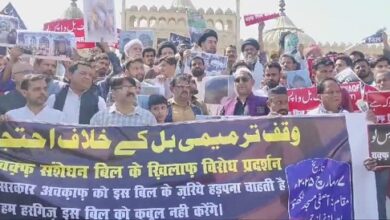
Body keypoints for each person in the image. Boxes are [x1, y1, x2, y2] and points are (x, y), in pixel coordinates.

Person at [90, 76, 156, 126]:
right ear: (113, 93)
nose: (130, 90)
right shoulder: (100, 118)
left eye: (132, 87)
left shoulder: (147, 117)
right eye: (126, 87)